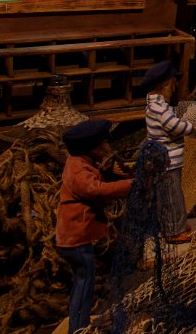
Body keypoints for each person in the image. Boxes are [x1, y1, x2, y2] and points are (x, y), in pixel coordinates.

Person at [57, 118, 133, 334]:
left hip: (75, 239)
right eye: (104, 144)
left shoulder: (81, 164)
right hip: (76, 241)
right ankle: (78, 328)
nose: (108, 147)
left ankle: (78, 325)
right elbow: (96, 190)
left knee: (83, 283)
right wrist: (131, 185)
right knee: (84, 284)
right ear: (92, 148)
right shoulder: (78, 172)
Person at [143, 60, 196, 244]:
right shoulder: (159, 109)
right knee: (172, 197)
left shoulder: (156, 106)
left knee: (170, 195)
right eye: (172, 84)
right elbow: (176, 127)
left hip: (166, 161)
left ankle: (174, 225)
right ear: (165, 86)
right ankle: (174, 232)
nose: (174, 88)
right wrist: (195, 124)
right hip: (167, 162)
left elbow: (173, 115)